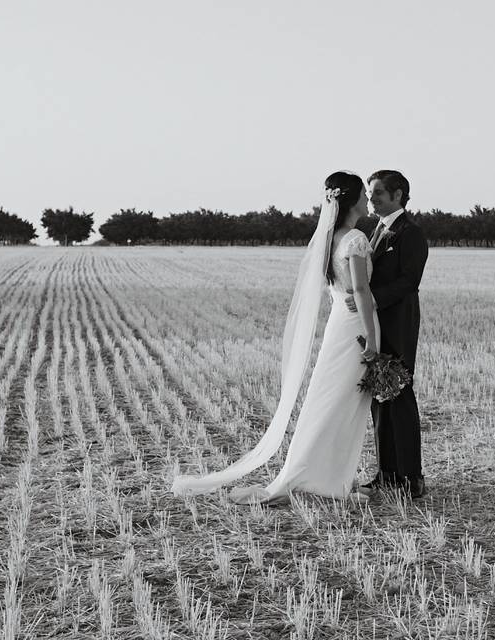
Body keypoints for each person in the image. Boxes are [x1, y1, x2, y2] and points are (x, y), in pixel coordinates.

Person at [171, 171, 380, 504]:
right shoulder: (354, 237)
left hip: (340, 320)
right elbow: (361, 289)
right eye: (364, 196)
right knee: (343, 403)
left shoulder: (330, 237)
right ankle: (324, 479)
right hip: (356, 325)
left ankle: (327, 475)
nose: (368, 201)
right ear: (352, 198)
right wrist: (371, 337)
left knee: (332, 400)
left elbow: (340, 290)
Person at [346, 170, 428, 499]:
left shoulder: (411, 233)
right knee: (379, 400)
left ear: (398, 195)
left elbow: (409, 282)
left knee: (400, 398)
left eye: (378, 193)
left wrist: (372, 299)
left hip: (397, 325)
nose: (371, 199)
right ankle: (387, 473)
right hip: (373, 327)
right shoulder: (370, 230)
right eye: (369, 193)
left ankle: (412, 477)